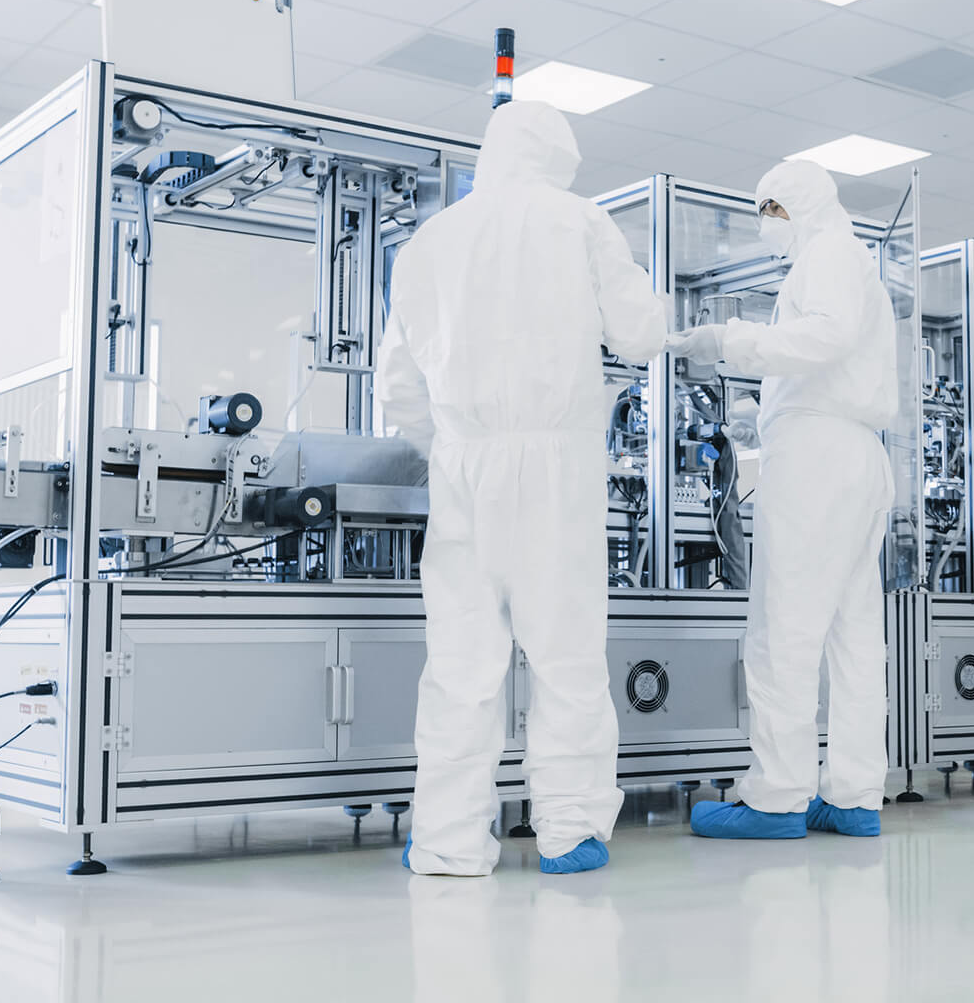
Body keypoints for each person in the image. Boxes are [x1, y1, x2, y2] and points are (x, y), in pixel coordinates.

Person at [375, 100, 666, 874]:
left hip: (462, 464)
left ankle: (446, 841)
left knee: (460, 662)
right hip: (556, 464)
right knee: (565, 653)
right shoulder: (580, 222)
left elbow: (397, 388)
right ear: (557, 158)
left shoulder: (428, 244)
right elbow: (639, 333)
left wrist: (452, 445)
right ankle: (570, 831)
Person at [666, 159, 897, 839]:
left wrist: (733, 341)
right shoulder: (849, 260)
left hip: (818, 457)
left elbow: (824, 338)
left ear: (800, 204)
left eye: (771, 207)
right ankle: (854, 794)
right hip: (856, 454)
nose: (764, 222)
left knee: (784, 630)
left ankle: (776, 797)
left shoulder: (826, 256)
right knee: (854, 639)